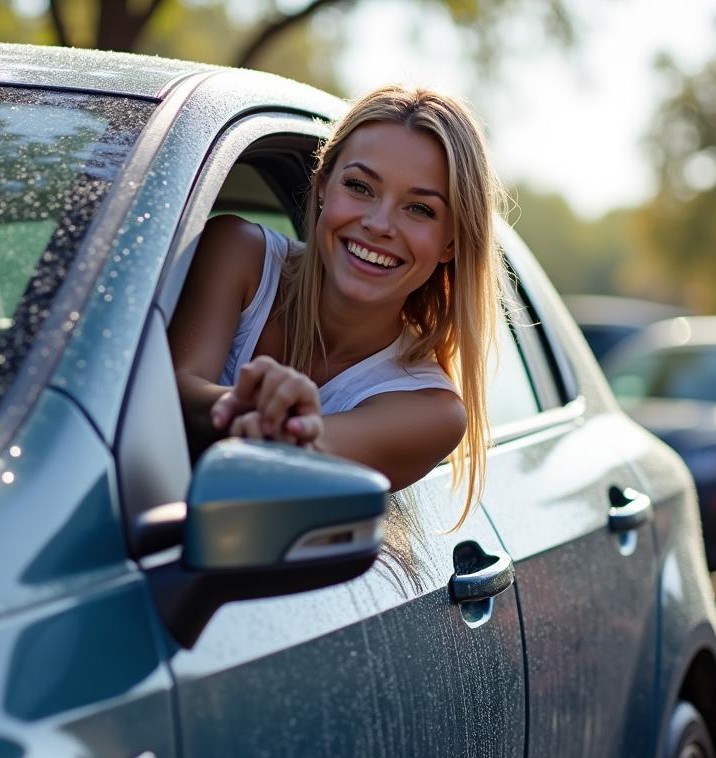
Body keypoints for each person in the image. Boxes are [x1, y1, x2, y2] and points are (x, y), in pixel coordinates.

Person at [169, 84, 505, 519]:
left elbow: (281, 457)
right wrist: (241, 404)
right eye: (360, 186)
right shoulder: (237, 253)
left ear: (450, 244)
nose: (379, 224)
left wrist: (280, 423)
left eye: (420, 209)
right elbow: (174, 388)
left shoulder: (432, 411)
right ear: (324, 185)